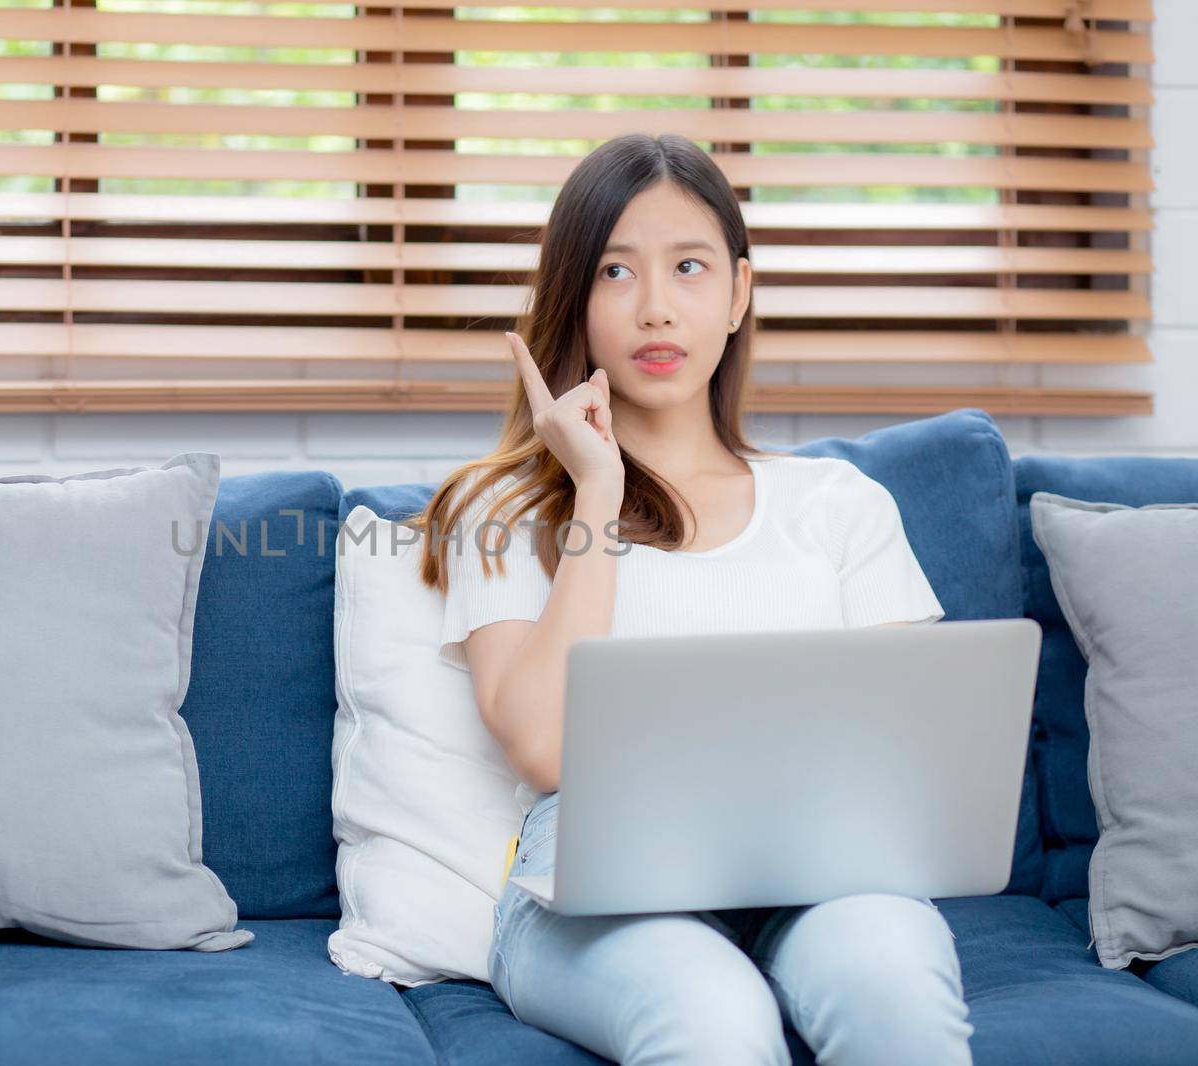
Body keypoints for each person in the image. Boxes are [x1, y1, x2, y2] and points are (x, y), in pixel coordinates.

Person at [406, 132, 974, 1066]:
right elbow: (545, 748)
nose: (657, 307)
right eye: (616, 272)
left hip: (820, 870)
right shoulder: (503, 509)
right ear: (575, 302)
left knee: (892, 989)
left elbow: (919, 764)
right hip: (585, 889)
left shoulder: (840, 505)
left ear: (739, 293)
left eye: (689, 267)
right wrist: (592, 491)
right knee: (714, 1016)